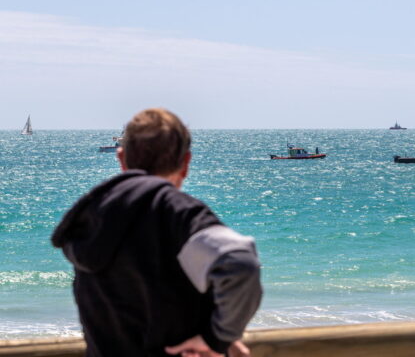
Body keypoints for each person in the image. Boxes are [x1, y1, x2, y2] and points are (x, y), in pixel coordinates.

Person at [52, 108, 262, 357]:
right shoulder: (178, 213)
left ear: (122, 160)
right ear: (185, 163)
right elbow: (240, 263)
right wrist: (217, 337)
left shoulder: (90, 216)